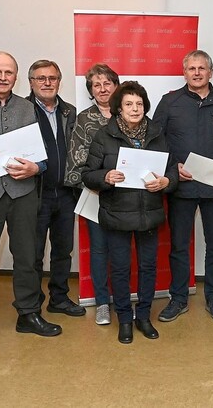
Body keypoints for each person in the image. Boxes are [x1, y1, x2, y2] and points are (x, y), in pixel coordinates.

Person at [0, 51, 62, 358]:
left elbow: (45, 152)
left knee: (28, 258)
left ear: (16, 77)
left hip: (23, 195)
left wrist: (37, 168)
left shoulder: (30, 108)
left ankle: (28, 314)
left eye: (9, 72)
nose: (3, 77)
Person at [152, 50, 213, 322]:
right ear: (184, 73)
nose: (196, 72)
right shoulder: (170, 102)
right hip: (182, 186)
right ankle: (178, 298)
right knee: (179, 245)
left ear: (210, 72)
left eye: (201, 68)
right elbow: (157, 139)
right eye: (191, 68)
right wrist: (173, 167)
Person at [82, 81, 178, 344]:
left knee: (148, 268)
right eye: (128, 104)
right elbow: (87, 175)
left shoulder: (158, 135)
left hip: (150, 213)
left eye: (139, 104)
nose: (135, 109)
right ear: (119, 109)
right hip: (117, 214)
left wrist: (167, 182)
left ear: (145, 106)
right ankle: (124, 318)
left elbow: (172, 172)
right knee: (121, 269)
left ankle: (143, 316)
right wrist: (106, 176)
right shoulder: (104, 136)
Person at [25, 60, 85, 317]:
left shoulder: (69, 112)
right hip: (34, 194)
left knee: (63, 251)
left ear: (59, 81)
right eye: (41, 78)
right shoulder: (22, 110)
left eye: (52, 78)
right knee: (33, 253)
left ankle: (59, 298)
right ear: (31, 82)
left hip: (65, 194)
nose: (47, 83)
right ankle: (32, 304)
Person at [65, 63, 119, 325]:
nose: (102, 88)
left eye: (107, 83)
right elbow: (75, 163)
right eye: (96, 85)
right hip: (95, 194)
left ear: (116, 86)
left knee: (123, 251)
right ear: (90, 90)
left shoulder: (130, 112)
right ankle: (101, 303)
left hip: (128, 198)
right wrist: (99, 179)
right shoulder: (84, 119)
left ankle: (121, 301)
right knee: (99, 251)